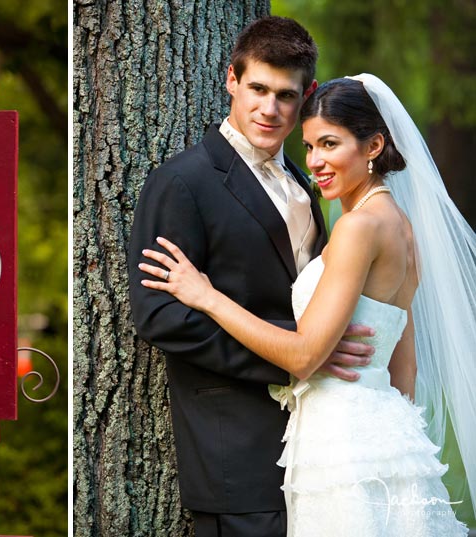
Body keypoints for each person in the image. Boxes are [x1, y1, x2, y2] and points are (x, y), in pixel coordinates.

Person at [139, 74, 474, 536]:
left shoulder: (358, 229)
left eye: (330, 144)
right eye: (310, 146)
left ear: (373, 146)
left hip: (339, 441)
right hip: (390, 436)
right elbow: (405, 365)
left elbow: (302, 356)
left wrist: (208, 297)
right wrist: (390, 440)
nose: (315, 162)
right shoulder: (402, 227)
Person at [127, 16, 374, 537]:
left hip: (317, 445)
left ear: (306, 96)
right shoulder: (181, 182)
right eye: (257, 88)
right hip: (233, 452)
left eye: (286, 95)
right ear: (232, 80)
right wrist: (297, 358)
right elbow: (161, 318)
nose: (270, 108)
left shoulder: (308, 187)